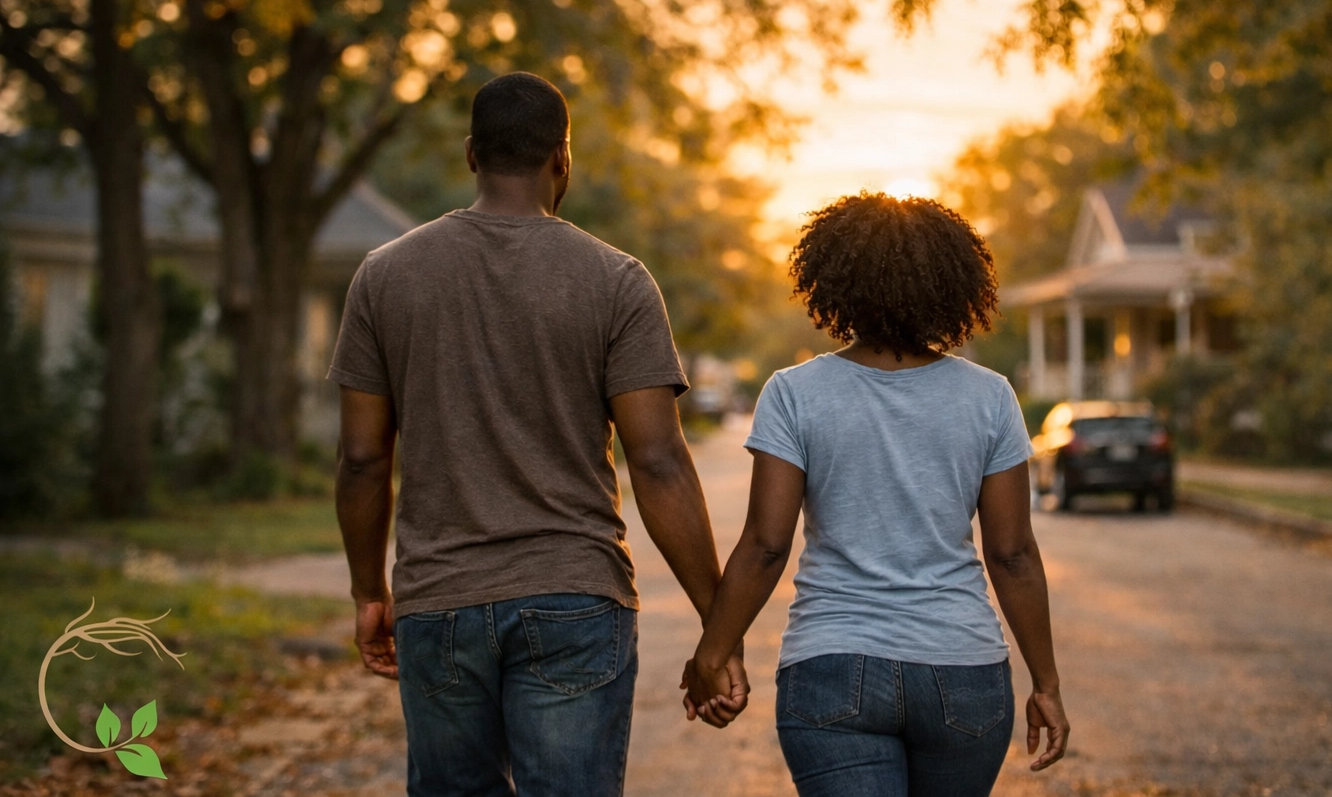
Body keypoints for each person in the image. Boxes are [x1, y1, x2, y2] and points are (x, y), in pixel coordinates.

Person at [329, 72, 746, 797]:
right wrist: (718, 628)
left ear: (470, 155)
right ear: (563, 158)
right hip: (576, 598)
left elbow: (364, 458)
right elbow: (659, 461)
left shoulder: (384, 277)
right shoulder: (617, 280)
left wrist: (371, 591)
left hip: (440, 599)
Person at [682, 192, 1070, 796]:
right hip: (962, 670)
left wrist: (715, 648)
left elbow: (764, 544)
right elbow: (1012, 553)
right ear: (951, 284)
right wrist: (1045, 682)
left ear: (835, 280)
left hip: (832, 667)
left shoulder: (794, 392)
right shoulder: (990, 397)